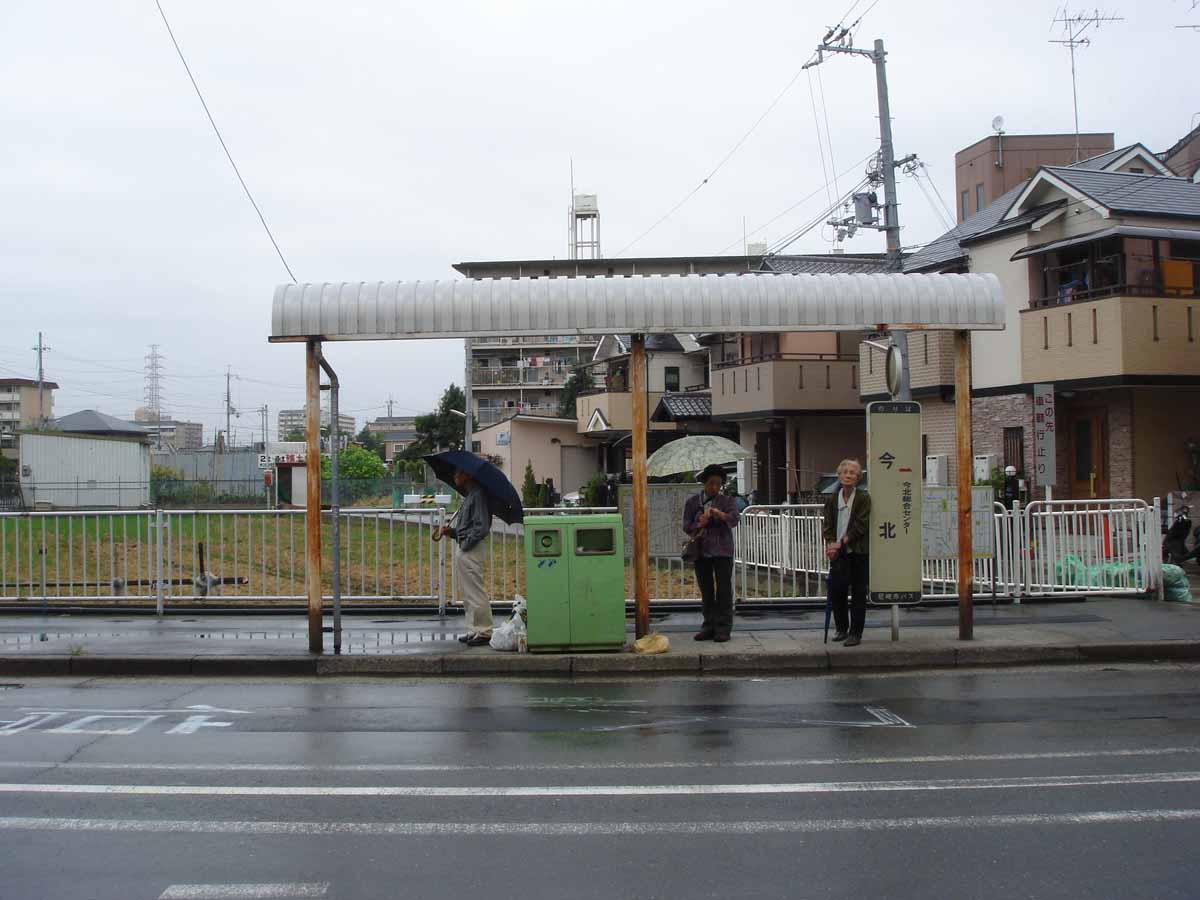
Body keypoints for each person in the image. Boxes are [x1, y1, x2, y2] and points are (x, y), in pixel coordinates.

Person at [682, 464, 741, 643]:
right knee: (706, 590)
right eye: (711, 483)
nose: (714, 487)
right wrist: (700, 522)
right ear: (704, 483)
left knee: (723, 590)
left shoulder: (727, 501)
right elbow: (686, 526)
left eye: (718, 484)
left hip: (723, 550)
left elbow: (734, 519)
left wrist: (720, 514)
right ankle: (708, 625)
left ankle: (723, 628)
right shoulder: (693, 502)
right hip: (701, 550)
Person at [440, 468, 494, 647]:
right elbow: (468, 527)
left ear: (468, 475)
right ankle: (473, 629)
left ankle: (484, 630)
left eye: (458, 473)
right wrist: (453, 533)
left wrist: (466, 543)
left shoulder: (478, 495)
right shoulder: (469, 496)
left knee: (475, 591)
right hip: (465, 547)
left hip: (471, 549)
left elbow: (481, 527)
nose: (455, 476)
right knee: (467, 592)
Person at [822, 458, 871, 647]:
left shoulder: (863, 498)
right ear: (839, 475)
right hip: (837, 552)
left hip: (857, 551)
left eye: (853, 473)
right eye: (845, 472)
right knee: (837, 591)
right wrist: (831, 545)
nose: (849, 475)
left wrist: (841, 542)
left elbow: (861, 525)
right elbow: (827, 525)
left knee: (859, 593)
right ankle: (841, 629)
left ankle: (855, 633)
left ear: (858, 477)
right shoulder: (832, 498)